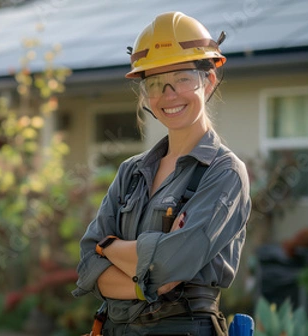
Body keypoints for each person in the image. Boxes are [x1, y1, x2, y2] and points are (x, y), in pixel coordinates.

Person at [72, 12, 252, 336]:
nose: (169, 94)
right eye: (155, 83)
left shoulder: (225, 173)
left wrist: (110, 246)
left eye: (182, 77)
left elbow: (171, 266)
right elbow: (87, 264)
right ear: (145, 94)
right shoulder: (131, 172)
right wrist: (150, 280)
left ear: (208, 81)